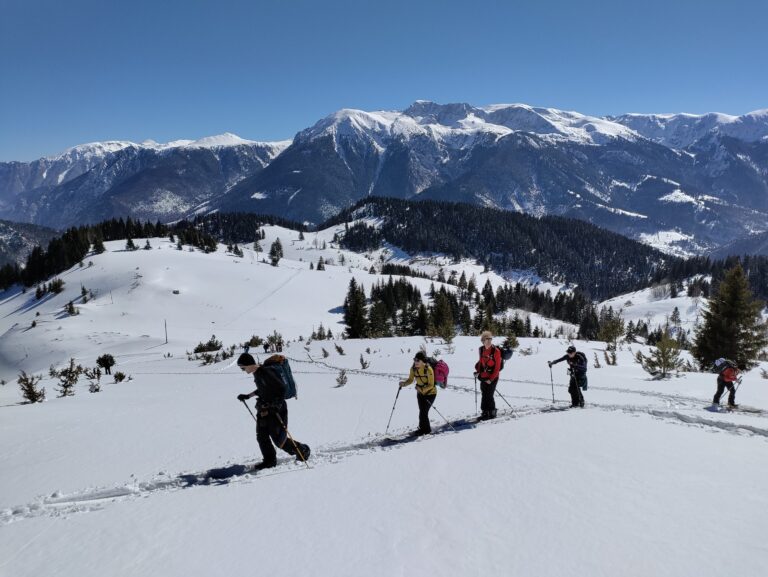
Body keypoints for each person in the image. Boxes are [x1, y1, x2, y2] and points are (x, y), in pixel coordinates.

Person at [236, 353, 310, 470]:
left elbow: (281, 388)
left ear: (248, 364)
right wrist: (248, 396)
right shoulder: (257, 373)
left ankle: (302, 450)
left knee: (279, 440)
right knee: (261, 436)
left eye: (242, 367)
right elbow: (263, 388)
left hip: (277, 409)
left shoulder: (265, 371)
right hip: (263, 407)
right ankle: (269, 461)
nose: (242, 370)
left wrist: (277, 404)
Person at [399, 351, 437, 435]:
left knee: (424, 412)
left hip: (431, 393)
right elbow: (410, 380)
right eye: (414, 360)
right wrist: (403, 384)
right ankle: (422, 428)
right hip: (420, 394)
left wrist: (421, 389)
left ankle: (426, 430)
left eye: (417, 360)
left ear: (423, 361)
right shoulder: (413, 369)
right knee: (421, 411)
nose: (415, 362)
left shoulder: (428, 369)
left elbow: (431, 385)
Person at [475, 331, 501, 420]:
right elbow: (480, 363)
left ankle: (492, 412)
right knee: (484, 394)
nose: (489, 341)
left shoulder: (496, 351)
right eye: (487, 339)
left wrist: (491, 379)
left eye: (490, 339)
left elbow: (497, 368)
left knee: (489, 395)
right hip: (483, 375)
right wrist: (477, 371)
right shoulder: (481, 349)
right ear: (483, 340)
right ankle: (485, 412)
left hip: (493, 377)